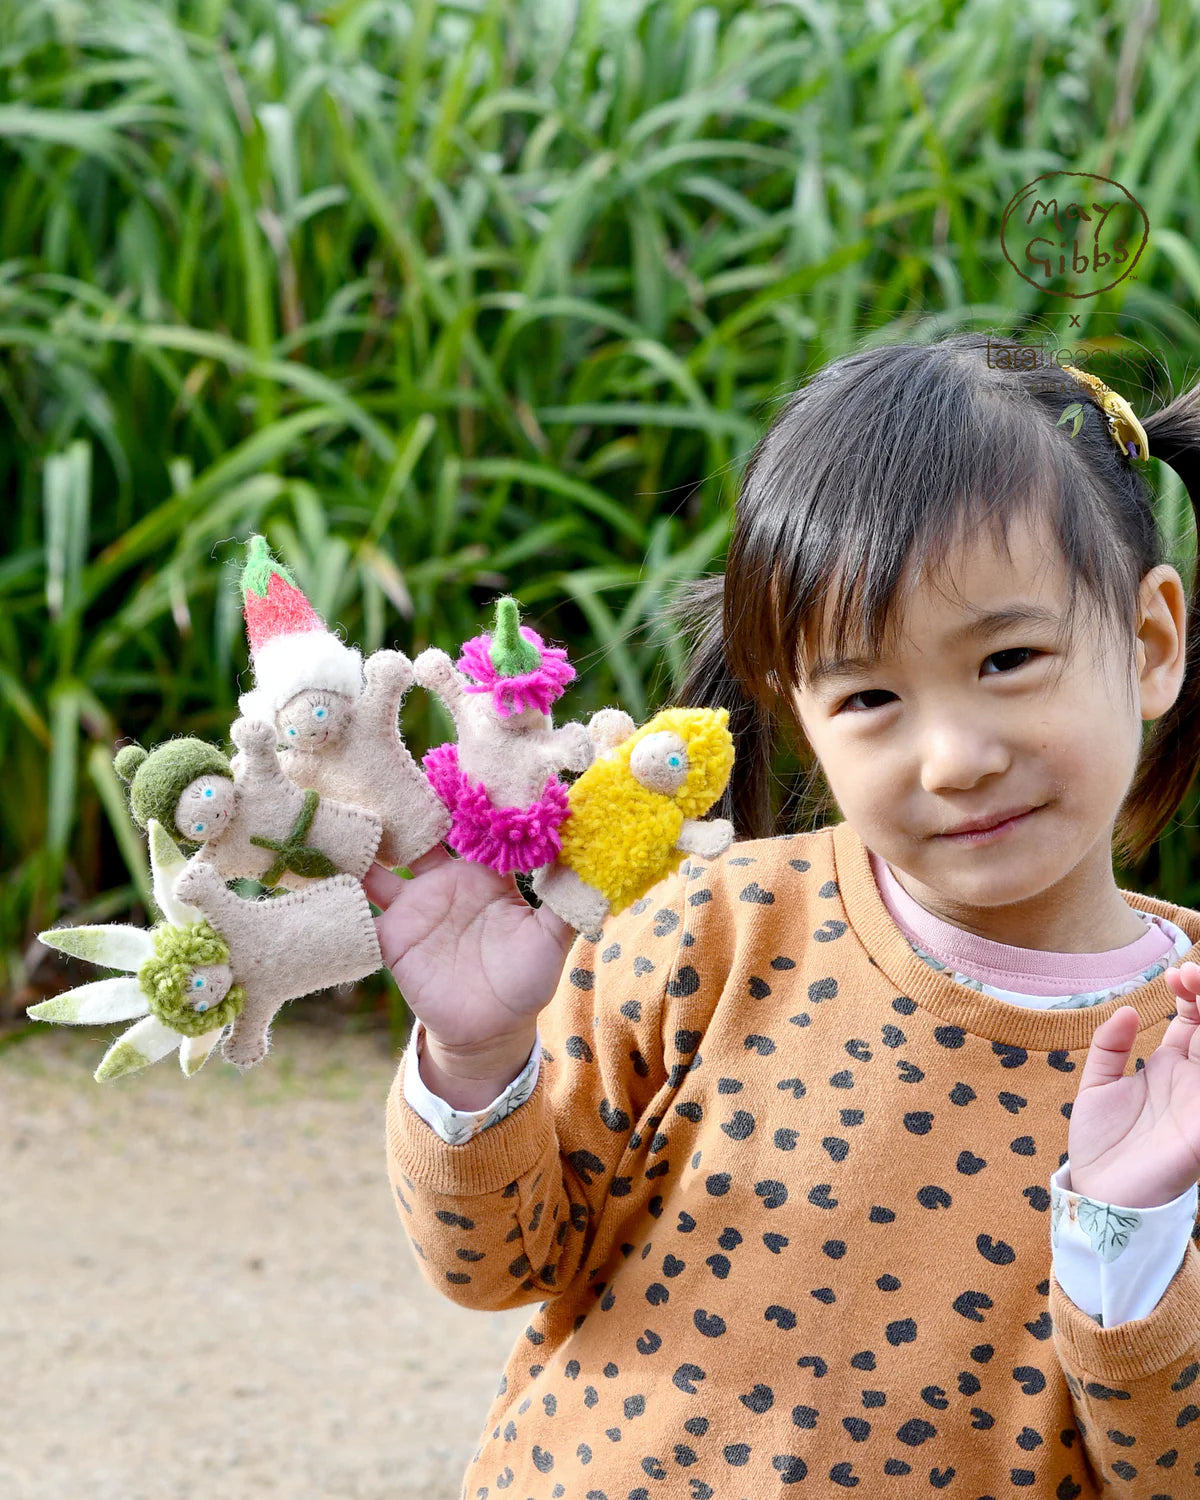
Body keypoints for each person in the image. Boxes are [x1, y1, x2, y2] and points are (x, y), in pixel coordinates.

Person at [367, 333, 1200, 1498]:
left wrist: (1129, 1238)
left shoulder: (1188, 1060)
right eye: (868, 695)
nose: (953, 758)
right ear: (803, 717)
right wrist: (474, 1054)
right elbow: (495, 1264)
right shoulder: (710, 929)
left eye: (1010, 658)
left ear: (1153, 642)